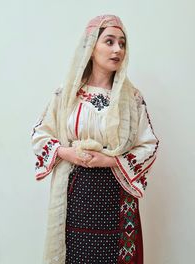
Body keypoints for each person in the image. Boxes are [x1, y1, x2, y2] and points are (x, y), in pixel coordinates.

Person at [31, 14, 159, 264]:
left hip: (116, 195)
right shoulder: (66, 94)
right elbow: (40, 134)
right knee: (76, 255)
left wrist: (108, 160)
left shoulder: (131, 99)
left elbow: (149, 145)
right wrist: (66, 153)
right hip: (75, 195)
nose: (117, 49)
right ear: (91, 48)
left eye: (122, 43)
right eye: (109, 41)